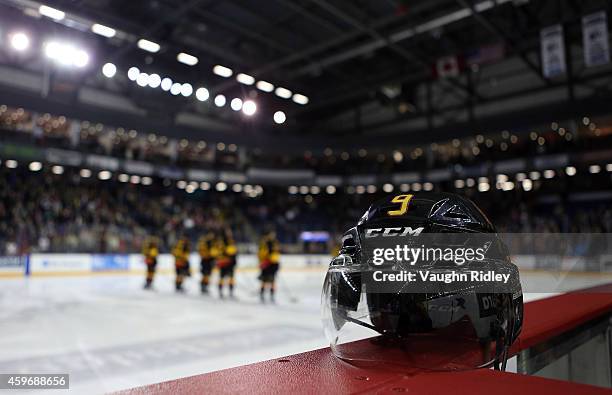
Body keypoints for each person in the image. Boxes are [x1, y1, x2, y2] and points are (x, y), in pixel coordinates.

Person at [258, 229, 281, 303]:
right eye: (271, 234)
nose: (273, 236)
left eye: (273, 234)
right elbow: (261, 254)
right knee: (264, 280)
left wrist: (276, 261)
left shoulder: (275, 243)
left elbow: (277, 253)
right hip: (267, 264)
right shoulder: (264, 243)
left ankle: (272, 296)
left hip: (273, 264)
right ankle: (262, 295)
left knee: (272, 281)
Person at [216, 229, 237, 298]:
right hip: (227, 262)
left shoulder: (221, 241)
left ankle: (223, 292)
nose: (230, 233)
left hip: (223, 262)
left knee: (226, 277)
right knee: (227, 277)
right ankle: (225, 292)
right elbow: (231, 251)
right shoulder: (227, 241)